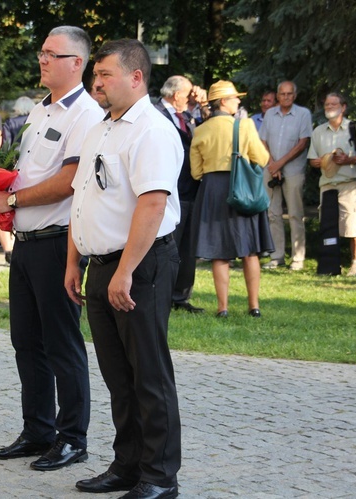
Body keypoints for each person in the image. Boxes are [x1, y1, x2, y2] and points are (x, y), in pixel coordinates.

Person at [0, 26, 102, 472]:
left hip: (57, 242)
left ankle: (73, 439)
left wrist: (8, 200)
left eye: (53, 54)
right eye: (42, 52)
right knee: (26, 341)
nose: (43, 60)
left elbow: (68, 181)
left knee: (62, 344)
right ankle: (37, 430)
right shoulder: (38, 111)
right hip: (26, 244)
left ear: (77, 63)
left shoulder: (85, 115)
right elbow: (23, 172)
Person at [65, 38, 182, 499]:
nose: (96, 81)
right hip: (102, 264)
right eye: (96, 74)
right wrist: (75, 261)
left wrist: (125, 271)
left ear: (136, 77)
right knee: (117, 375)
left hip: (140, 264)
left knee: (149, 374)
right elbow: (82, 197)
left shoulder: (151, 129)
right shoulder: (101, 127)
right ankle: (127, 465)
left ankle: (159, 477)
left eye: (105, 74)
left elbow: (153, 204)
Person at [190, 81, 273, 318]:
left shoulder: (201, 130)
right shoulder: (244, 125)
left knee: (219, 252)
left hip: (212, 191)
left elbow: (196, 172)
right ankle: (254, 306)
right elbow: (263, 158)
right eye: (235, 98)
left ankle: (222, 307)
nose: (239, 101)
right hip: (242, 187)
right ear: (224, 102)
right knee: (250, 250)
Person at [155, 75, 204, 314]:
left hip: (191, 187)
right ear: (176, 95)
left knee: (187, 246)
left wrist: (202, 106)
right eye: (188, 95)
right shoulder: (156, 114)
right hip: (167, 188)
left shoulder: (188, 116)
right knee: (169, 244)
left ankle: (181, 296)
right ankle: (163, 294)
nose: (190, 99)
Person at [306, 93, 356, 276]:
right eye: (327, 105)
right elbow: (311, 159)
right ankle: (330, 266)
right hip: (327, 185)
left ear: (343, 107)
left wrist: (349, 159)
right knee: (329, 228)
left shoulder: (355, 128)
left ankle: (355, 265)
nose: (329, 107)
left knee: (353, 226)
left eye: (334, 104)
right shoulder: (318, 131)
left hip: (350, 184)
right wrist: (319, 162)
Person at [259, 81, 312, 270]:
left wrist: (280, 163)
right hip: (271, 168)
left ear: (295, 95)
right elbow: (262, 140)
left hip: (294, 170)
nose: (286, 97)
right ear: (278, 95)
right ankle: (277, 256)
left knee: (295, 213)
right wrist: (273, 163)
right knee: (273, 213)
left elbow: (302, 142)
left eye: (290, 94)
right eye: (283, 94)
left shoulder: (303, 114)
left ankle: (298, 258)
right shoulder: (270, 115)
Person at [0, 95, 37, 263]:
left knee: (9, 204)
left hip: (14, 166)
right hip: (33, 168)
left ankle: (9, 245)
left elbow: (6, 146)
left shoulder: (11, 123)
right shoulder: (37, 120)